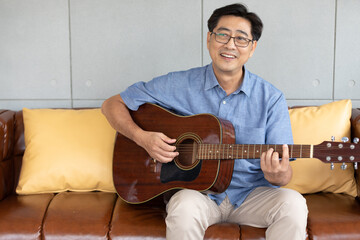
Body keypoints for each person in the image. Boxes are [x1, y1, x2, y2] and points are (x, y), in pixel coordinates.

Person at [102, 3, 308, 240]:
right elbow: (111, 105)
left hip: (253, 195)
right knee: (183, 208)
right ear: (209, 38)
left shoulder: (271, 98)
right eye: (223, 35)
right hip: (198, 194)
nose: (230, 45)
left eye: (241, 39)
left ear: (252, 48)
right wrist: (143, 138)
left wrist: (277, 175)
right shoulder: (178, 84)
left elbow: (284, 175)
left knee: (293, 204)